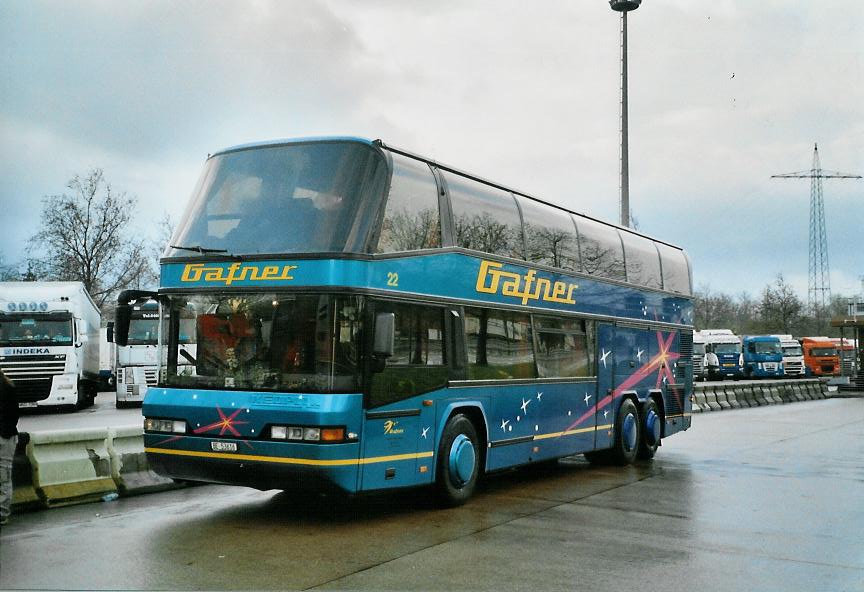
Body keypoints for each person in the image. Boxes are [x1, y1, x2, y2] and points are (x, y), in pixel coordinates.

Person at [1, 368, 19, 526]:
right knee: (4, 476)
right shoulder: (8, 386)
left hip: (4, 437)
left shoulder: (6, 387)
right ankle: (2, 512)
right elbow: (14, 415)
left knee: (4, 476)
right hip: (6, 437)